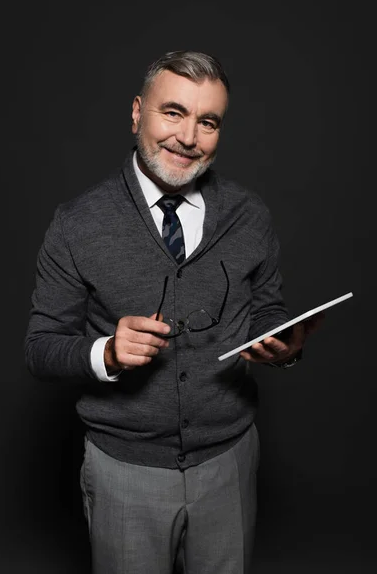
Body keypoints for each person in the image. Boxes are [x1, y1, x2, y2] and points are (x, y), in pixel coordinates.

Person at [24, 50, 322, 574]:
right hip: (125, 472)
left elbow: (266, 310)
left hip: (229, 464)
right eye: (174, 113)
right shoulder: (77, 223)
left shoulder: (249, 214)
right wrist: (107, 353)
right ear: (138, 113)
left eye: (207, 122)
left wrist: (284, 345)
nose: (189, 138)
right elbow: (41, 347)